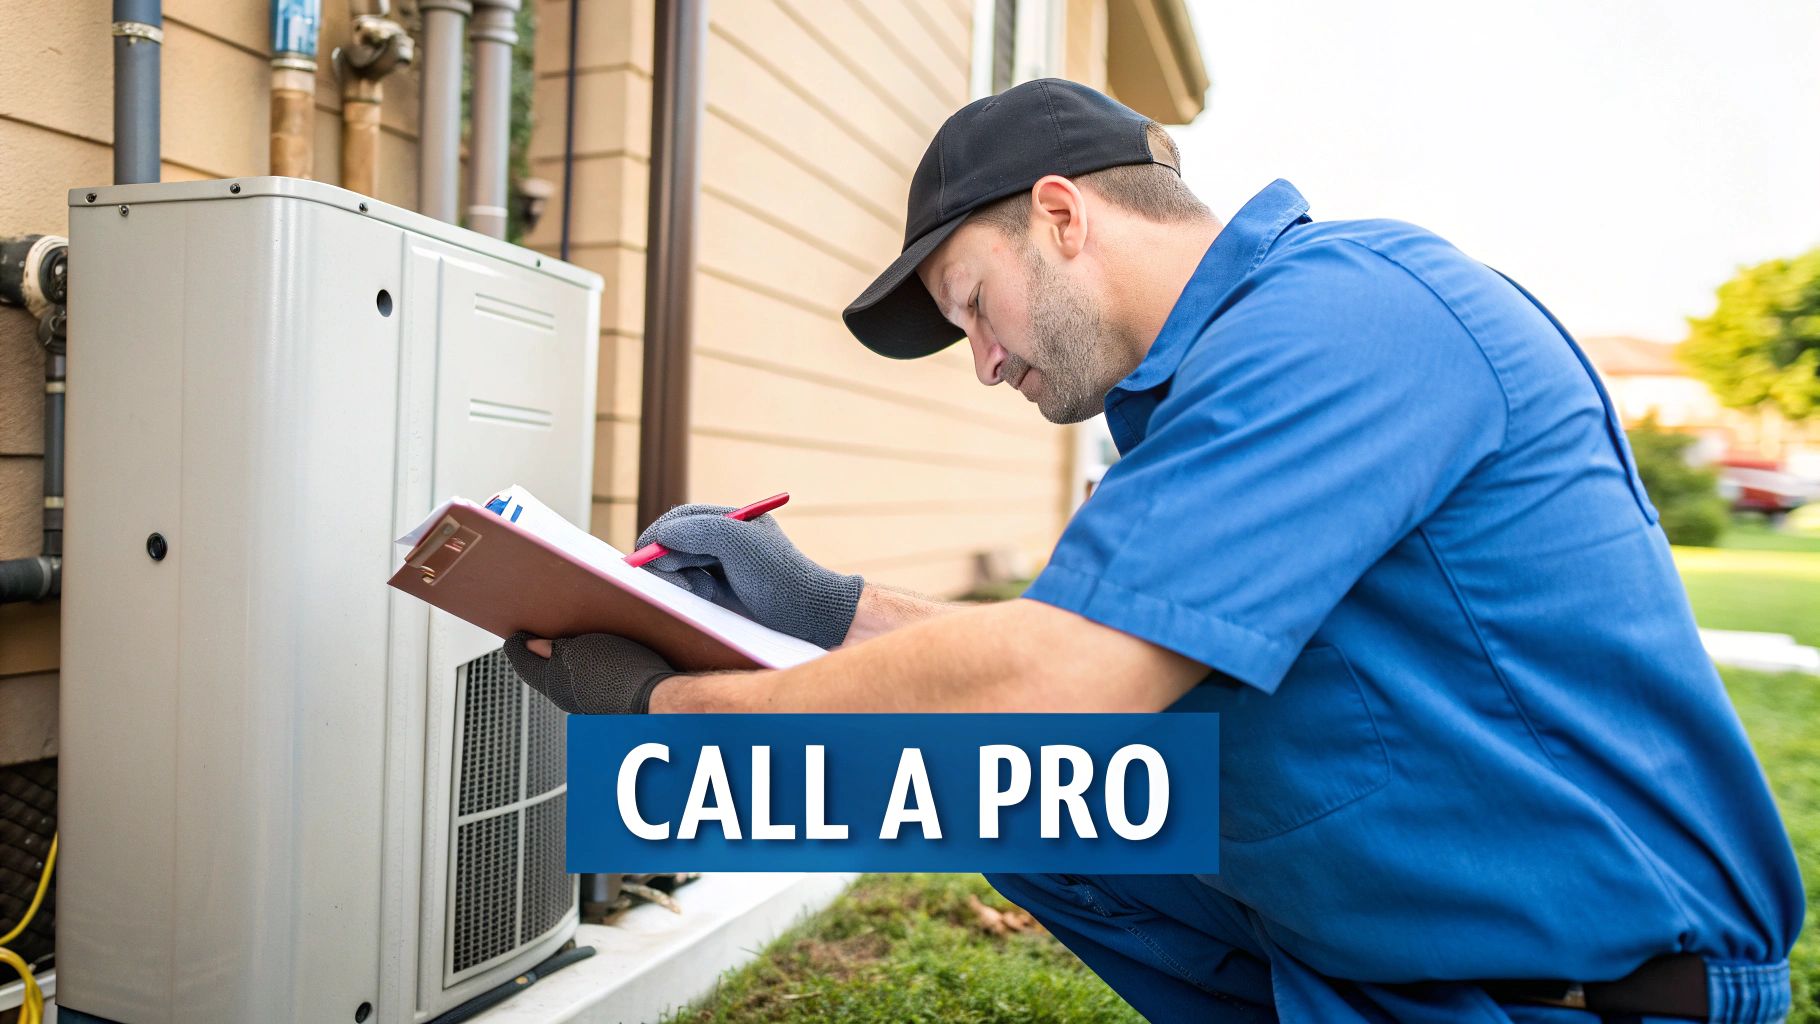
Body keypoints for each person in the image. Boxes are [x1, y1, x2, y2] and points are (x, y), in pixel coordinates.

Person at [505, 79, 1802, 1023]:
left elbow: (1058, 679)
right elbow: (1072, 647)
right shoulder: (1205, 403)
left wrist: (671, 711)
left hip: (1610, 989)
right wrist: (812, 605)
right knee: (1004, 788)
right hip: (1404, 964)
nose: (984, 359)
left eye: (973, 304)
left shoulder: (1349, 321)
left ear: (1062, 216)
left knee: (1018, 742)